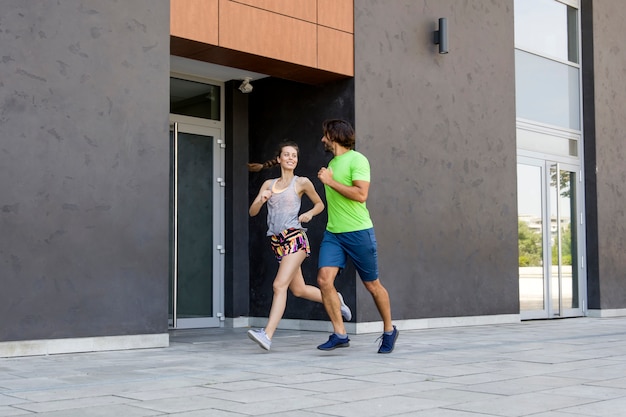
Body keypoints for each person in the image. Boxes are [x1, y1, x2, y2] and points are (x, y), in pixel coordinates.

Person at [247, 141, 352, 351]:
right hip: (277, 242)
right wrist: (261, 199)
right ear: (278, 159)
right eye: (286, 155)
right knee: (299, 290)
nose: (290, 158)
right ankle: (336, 299)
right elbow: (253, 212)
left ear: (296, 160)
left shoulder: (301, 182)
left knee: (279, 285)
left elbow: (320, 204)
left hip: (295, 238)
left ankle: (267, 335)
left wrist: (309, 214)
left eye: (294, 155)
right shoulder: (268, 185)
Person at [315, 119, 398, 354]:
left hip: (359, 232)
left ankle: (389, 330)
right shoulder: (332, 163)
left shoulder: (358, 160)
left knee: (372, 285)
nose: (322, 139)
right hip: (334, 233)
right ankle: (340, 334)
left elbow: (361, 194)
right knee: (323, 280)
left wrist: (330, 181)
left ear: (335, 136)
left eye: (325, 135)